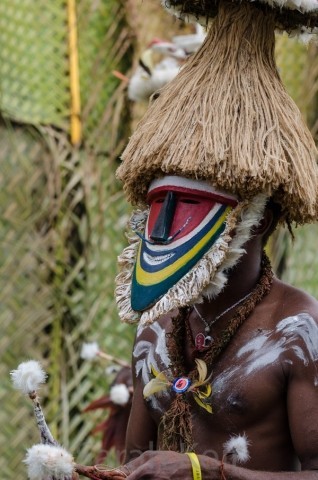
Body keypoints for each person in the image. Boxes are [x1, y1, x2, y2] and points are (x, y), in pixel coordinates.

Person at [113, 0, 318, 478]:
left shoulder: (299, 330)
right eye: (157, 207)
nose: (163, 229)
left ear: (259, 222)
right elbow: (134, 464)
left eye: (189, 208)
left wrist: (206, 471)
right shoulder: (156, 329)